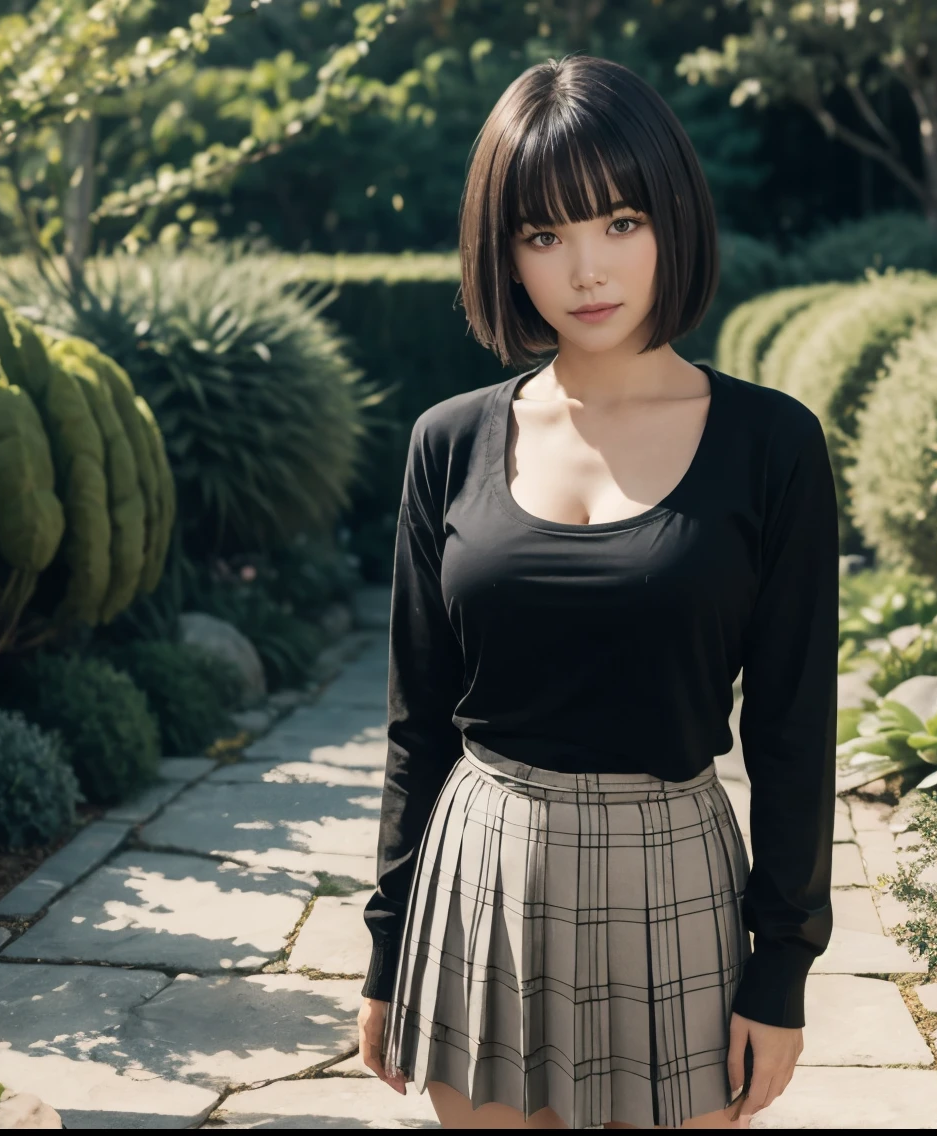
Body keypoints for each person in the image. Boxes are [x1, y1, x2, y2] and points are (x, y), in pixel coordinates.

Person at [354, 53, 839, 1131]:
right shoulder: (448, 441)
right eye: (544, 234)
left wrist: (782, 965)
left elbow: (794, 727)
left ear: (671, 216)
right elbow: (415, 718)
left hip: (673, 874)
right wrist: (387, 946)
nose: (585, 269)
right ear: (505, 250)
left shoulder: (772, 446)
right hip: (483, 874)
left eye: (618, 220)